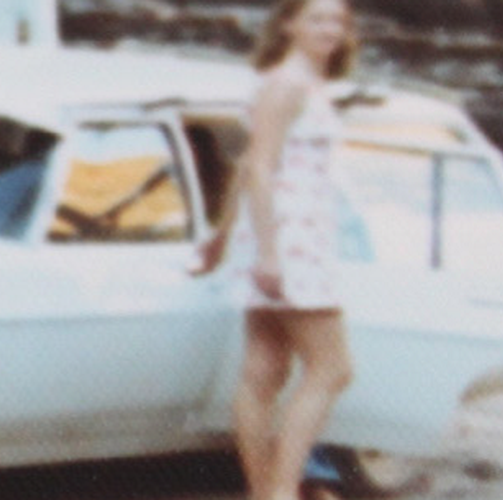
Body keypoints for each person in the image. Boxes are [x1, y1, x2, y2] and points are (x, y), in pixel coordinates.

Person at [192, 1, 358, 499]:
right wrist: (268, 253)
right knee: (332, 369)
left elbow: (245, 164)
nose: (330, 29)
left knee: (265, 370)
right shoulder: (286, 85)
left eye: (337, 20)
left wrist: (222, 237)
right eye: (317, 18)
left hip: (283, 234)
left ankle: (266, 492)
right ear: (289, 24)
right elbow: (261, 168)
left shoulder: (304, 84)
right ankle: (281, 491)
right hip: (289, 237)